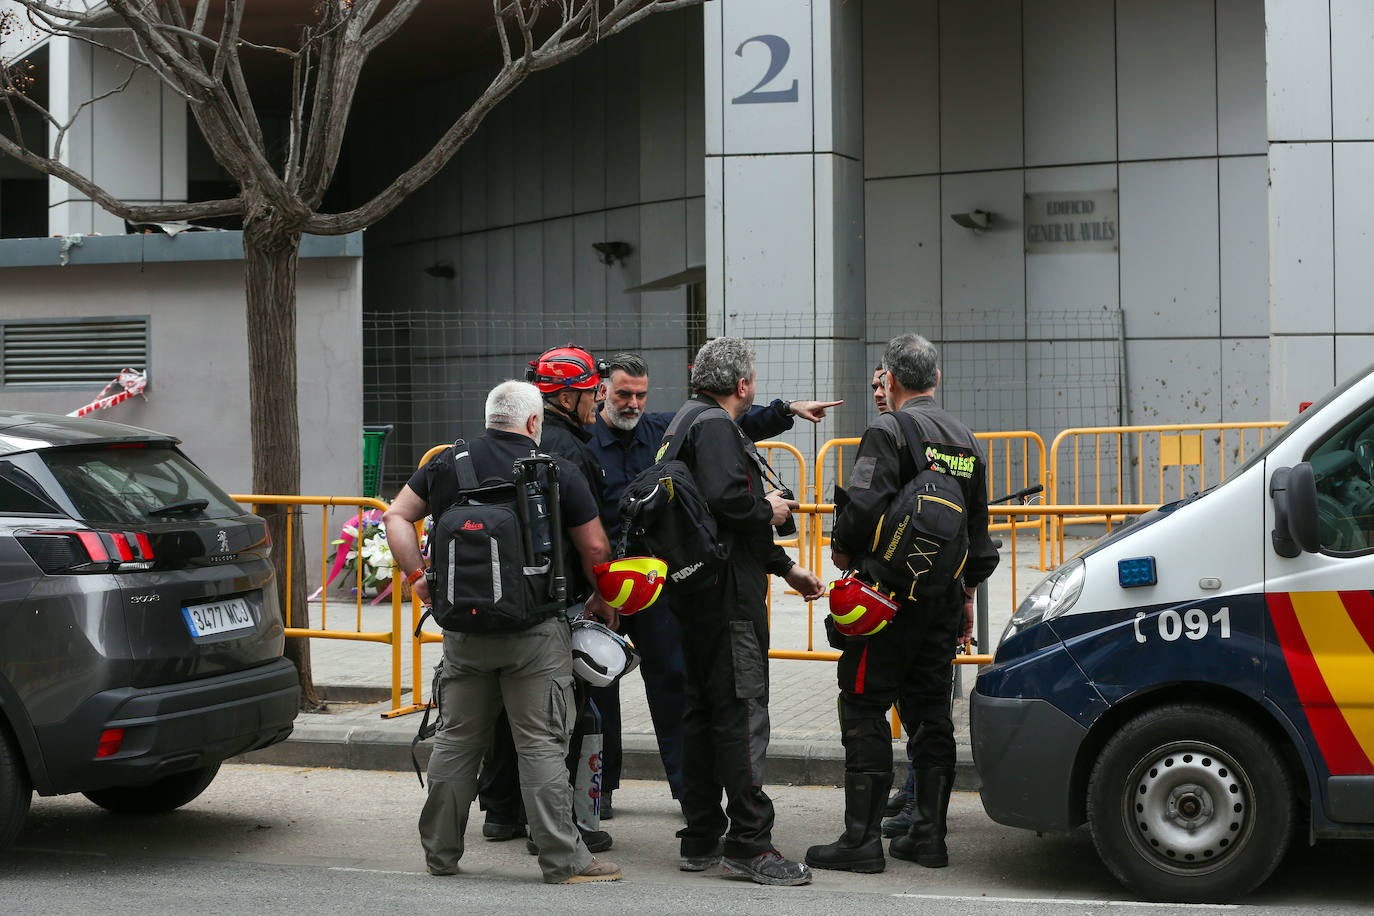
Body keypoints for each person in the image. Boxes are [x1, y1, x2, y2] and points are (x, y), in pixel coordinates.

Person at [383, 379, 621, 884]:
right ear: (534, 422)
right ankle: (564, 861)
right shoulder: (556, 470)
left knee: (456, 742)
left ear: (490, 416)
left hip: (464, 633)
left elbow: (396, 516)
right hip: (535, 634)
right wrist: (602, 598)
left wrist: (418, 581)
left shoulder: (447, 462)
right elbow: (596, 549)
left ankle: (440, 855)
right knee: (540, 744)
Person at [587, 352, 841, 815]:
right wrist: (765, 511)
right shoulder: (587, 441)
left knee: (675, 683)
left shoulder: (664, 427)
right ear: (602, 391)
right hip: (603, 583)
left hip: (660, 579)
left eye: (641, 395)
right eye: (623, 394)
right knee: (598, 683)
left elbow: (731, 426)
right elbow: (728, 481)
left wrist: (786, 411)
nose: (633, 403)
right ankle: (598, 790)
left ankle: (690, 797)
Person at [806, 333, 998, 873]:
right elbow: (979, 535)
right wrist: (965, 595)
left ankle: (860, 842)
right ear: (935, 380)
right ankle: (928, 838)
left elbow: (863, 507)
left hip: (883, 603)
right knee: (931, 713)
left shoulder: (888, 430)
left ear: (890, 379)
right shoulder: (966, 440)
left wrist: (842, 549)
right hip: (940, 604)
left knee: (865, 705)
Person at [666, 337, 826, 887]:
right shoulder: (713, 427)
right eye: (753, 378)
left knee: (703, 710)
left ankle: (701, 834)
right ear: (742, 385)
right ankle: (750, 845)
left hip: (696, 592)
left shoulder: (689, 420)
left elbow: (719, 521)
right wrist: (772, 507)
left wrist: (784, 569)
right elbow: (732, 505)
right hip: (728, 596)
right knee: (741, 712)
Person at [476, 345, 615, 853]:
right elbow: (590, 541)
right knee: (558, 719)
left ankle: (501, 812)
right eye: (589, 392)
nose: (596, 400)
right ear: (562, 396)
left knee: (503, 714)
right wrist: (603, 597)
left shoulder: (498, 448)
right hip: (557, 603)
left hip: (502, 599)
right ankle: (557, 829)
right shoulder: (567, 451)